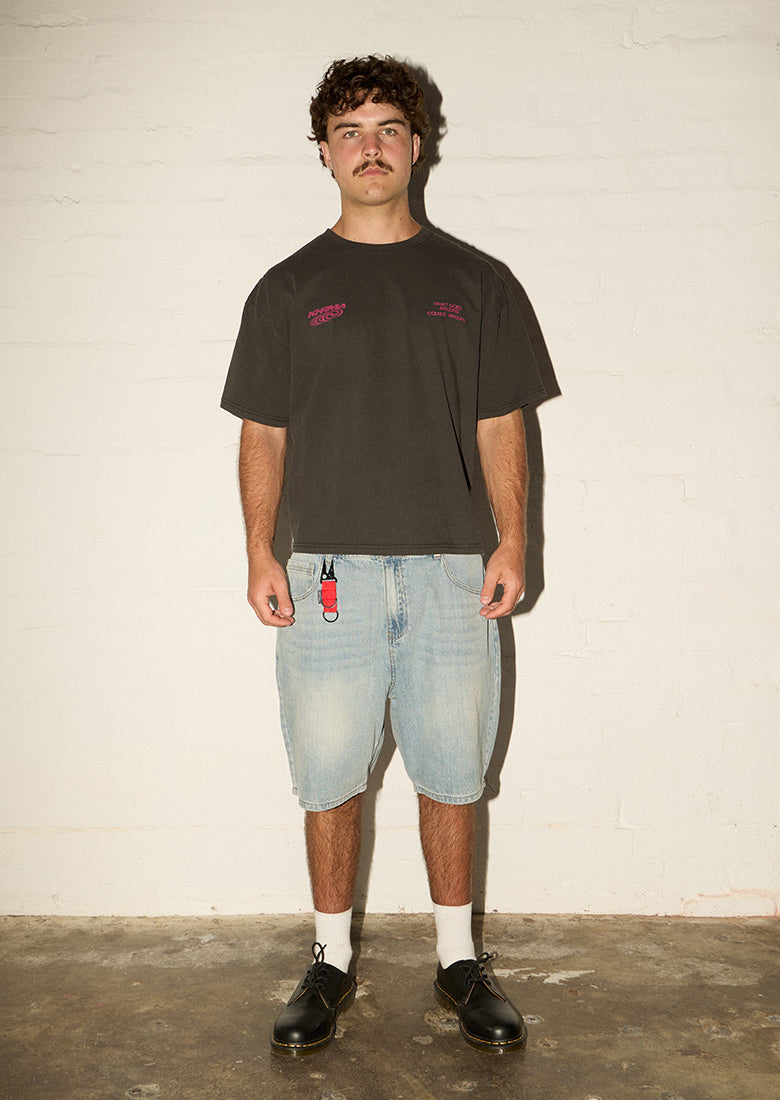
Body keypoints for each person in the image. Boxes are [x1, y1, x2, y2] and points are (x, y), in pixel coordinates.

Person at [221, 55, 545, 1056]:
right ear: (324, 152)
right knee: (329, 775)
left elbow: (501, 419)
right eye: (349, 130)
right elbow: (263, 431)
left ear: (416, 146)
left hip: (452, 569)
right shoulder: (287, 289)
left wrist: (513, 537)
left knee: (453, 772)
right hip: (327, 572)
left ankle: (458, 961)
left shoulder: (477, 282)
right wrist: (261, 551)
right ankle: (329, 960)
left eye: (388, 128)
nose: (370, 146)